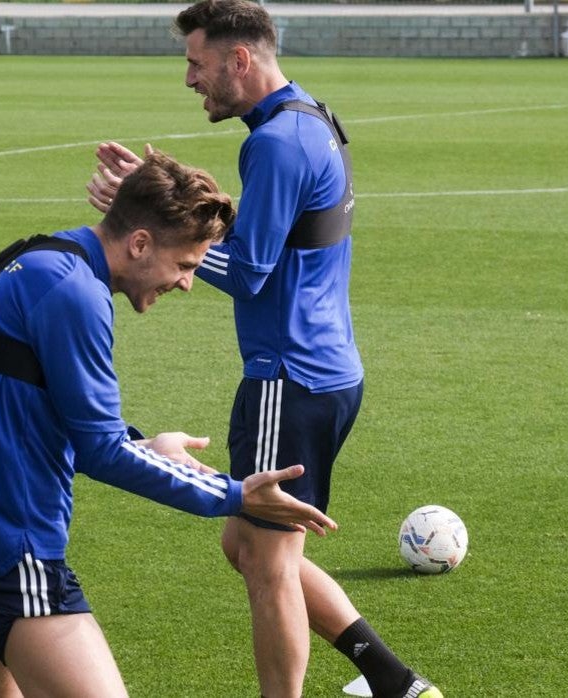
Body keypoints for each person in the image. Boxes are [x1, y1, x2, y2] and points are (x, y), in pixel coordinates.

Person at [84, 2, 440, 696]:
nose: (190, 78)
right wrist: (161, 196)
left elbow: (250, 269)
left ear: (238, 59)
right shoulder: (309, 117)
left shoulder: (273, 142)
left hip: (289, 374)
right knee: (245, 544)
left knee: (267, 561)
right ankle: (392, 681)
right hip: (327, 368)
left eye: (196, 62)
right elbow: (277, 230)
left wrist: (157, 239)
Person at [0, 150, 338, 697]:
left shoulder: (34, 258)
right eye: (185, 264)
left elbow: (51, 412)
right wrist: (235, 495)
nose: (187, 283)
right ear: (140, 243)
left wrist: (147, 444)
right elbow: (100, 450)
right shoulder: (75, 293)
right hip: (9, 561)